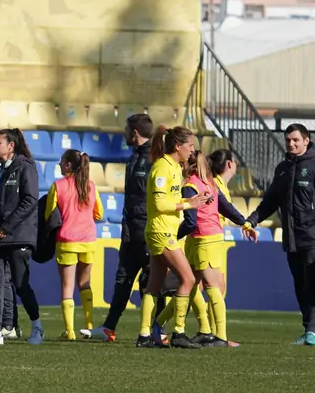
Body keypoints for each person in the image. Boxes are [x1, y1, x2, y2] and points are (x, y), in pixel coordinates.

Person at [134, 125, 211, 348]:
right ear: (178, 146)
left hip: (165, 230)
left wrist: (198, 200)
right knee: (187, 279)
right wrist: (188, 203)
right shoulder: (162, 167)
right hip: (161, 231)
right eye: (190, 145)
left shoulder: (175, 168)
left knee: (154, 286)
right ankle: (178, 333)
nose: (192, 150)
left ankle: (144, 335)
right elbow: (159, 203)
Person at [174, 151, 257, 347]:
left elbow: (191, 220)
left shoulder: (191, 185)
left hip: (203, 238)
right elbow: (226, 207)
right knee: (191, 284)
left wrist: (172, 236)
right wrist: (245, 224)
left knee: (209, 287)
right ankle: (204, 331)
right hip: (204, 238)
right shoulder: (209, 183)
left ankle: (218, 336)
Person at [0, 128, 44, 345]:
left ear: (10, 146)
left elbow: (30, 201)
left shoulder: (25, 167)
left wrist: (8, 226)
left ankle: (37, 326)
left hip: (18, 235)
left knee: (21, 284)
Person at [245, 123, 315, 345]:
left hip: (313, 236)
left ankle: (312, 331)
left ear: (306, 140)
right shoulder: (282, 169)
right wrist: (253, 219)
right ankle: (309, 330)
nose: (291, 144)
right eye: (288, 140)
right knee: (300, 284)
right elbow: (271, 201)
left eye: (295, 140)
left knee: (312, 282)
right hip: (292, 238)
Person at [87, 114, 154, 342]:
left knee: (151, 280)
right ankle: (109, 327)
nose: (124, 134)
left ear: (134, 132)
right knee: (123, 278)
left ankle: (156, 329)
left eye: (126, 129)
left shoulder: (154, 158)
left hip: (146, 230)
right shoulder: (134, 157)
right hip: (130, 230)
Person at [44, 149, 103, 340]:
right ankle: (89, 326)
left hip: (67, 240)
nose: (60, 164)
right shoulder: (91, 186)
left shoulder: (58, 186)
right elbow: (99, 214)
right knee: (85, 283)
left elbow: (48, 215)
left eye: (62, 161)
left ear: (68, 165)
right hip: (88, 240)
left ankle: (69, 331)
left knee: (67, 286)